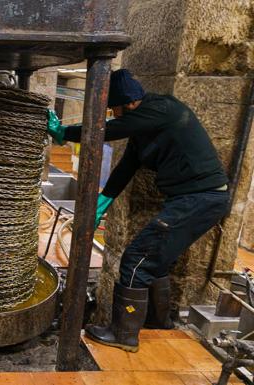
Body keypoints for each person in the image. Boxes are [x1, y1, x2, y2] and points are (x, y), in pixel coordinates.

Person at [47, 69, 229, 352]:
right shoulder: (145, 128)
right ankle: (159, 325)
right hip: (194, 200)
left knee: (136, 259)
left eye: (115, 108)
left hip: (199, 199)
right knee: (155, 262)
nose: (114, 114)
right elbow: (126, 168)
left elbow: (105, 130)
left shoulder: (162, 108)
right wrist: (101, 204)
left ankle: (124, 334)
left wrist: (64, 133)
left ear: (129, 102)